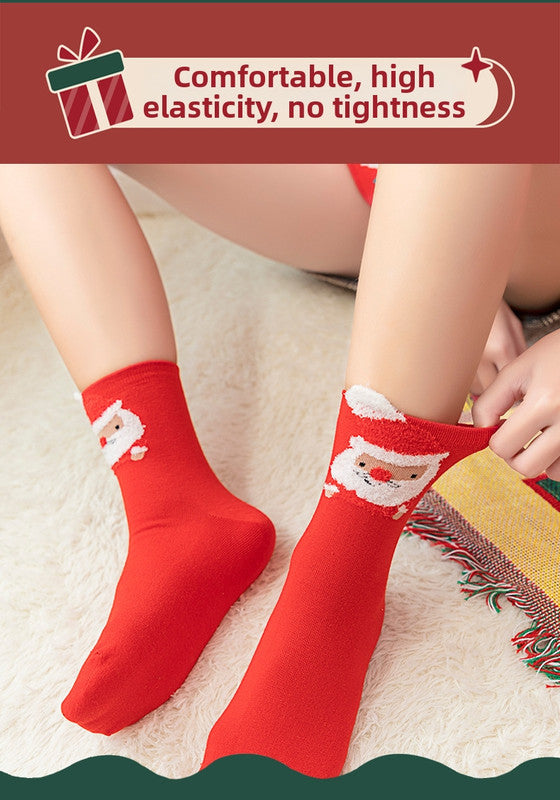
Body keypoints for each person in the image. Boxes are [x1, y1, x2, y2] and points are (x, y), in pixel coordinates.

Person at [0, 164, 558, 778]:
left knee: (462, 108)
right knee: (33, 106)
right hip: (361, 162)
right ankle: (171, 503)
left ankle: (342, 568)